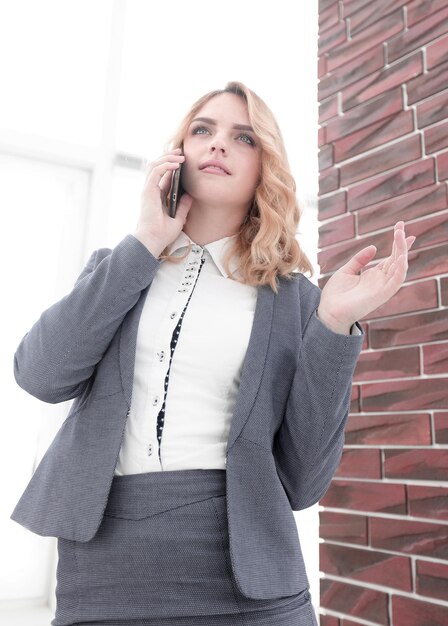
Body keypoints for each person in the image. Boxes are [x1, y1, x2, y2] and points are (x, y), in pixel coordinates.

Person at [11, 81, 415, 626]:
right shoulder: (118, 267)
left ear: (263, 169)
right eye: (203, 130)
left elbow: (303, 480)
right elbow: (39, 374)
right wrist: (145, 241)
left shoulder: (296, 300)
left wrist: (334, 325)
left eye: (242, 137)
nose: (218, 144)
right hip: (104, 573)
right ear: (177, 155)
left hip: (245, 582)